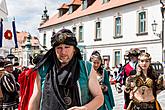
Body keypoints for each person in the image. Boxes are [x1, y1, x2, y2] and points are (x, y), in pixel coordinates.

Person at [28, 29, 104, 110]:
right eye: (59, 48)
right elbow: (36, 98)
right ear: (54, 50)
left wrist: (85, 108)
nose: (63, 52)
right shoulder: (43, 69)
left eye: (67, 47)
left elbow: (99, 97)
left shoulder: (86, 68)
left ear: (74, 49)